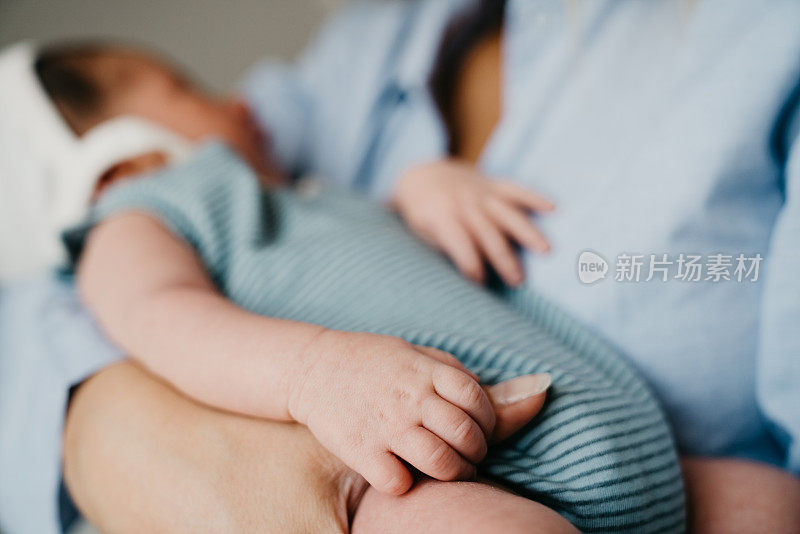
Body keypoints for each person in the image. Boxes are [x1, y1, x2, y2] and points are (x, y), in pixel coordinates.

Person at [2, 0, 800, 532]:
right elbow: (160, 316)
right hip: (435, 473)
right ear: (114, 165)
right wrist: (313, 375)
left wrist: (422, 189)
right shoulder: (140, 221)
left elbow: (370, 249)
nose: (241, 101)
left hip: (625, 439)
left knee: (774, 508)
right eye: (181, 88)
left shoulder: (301, 194)